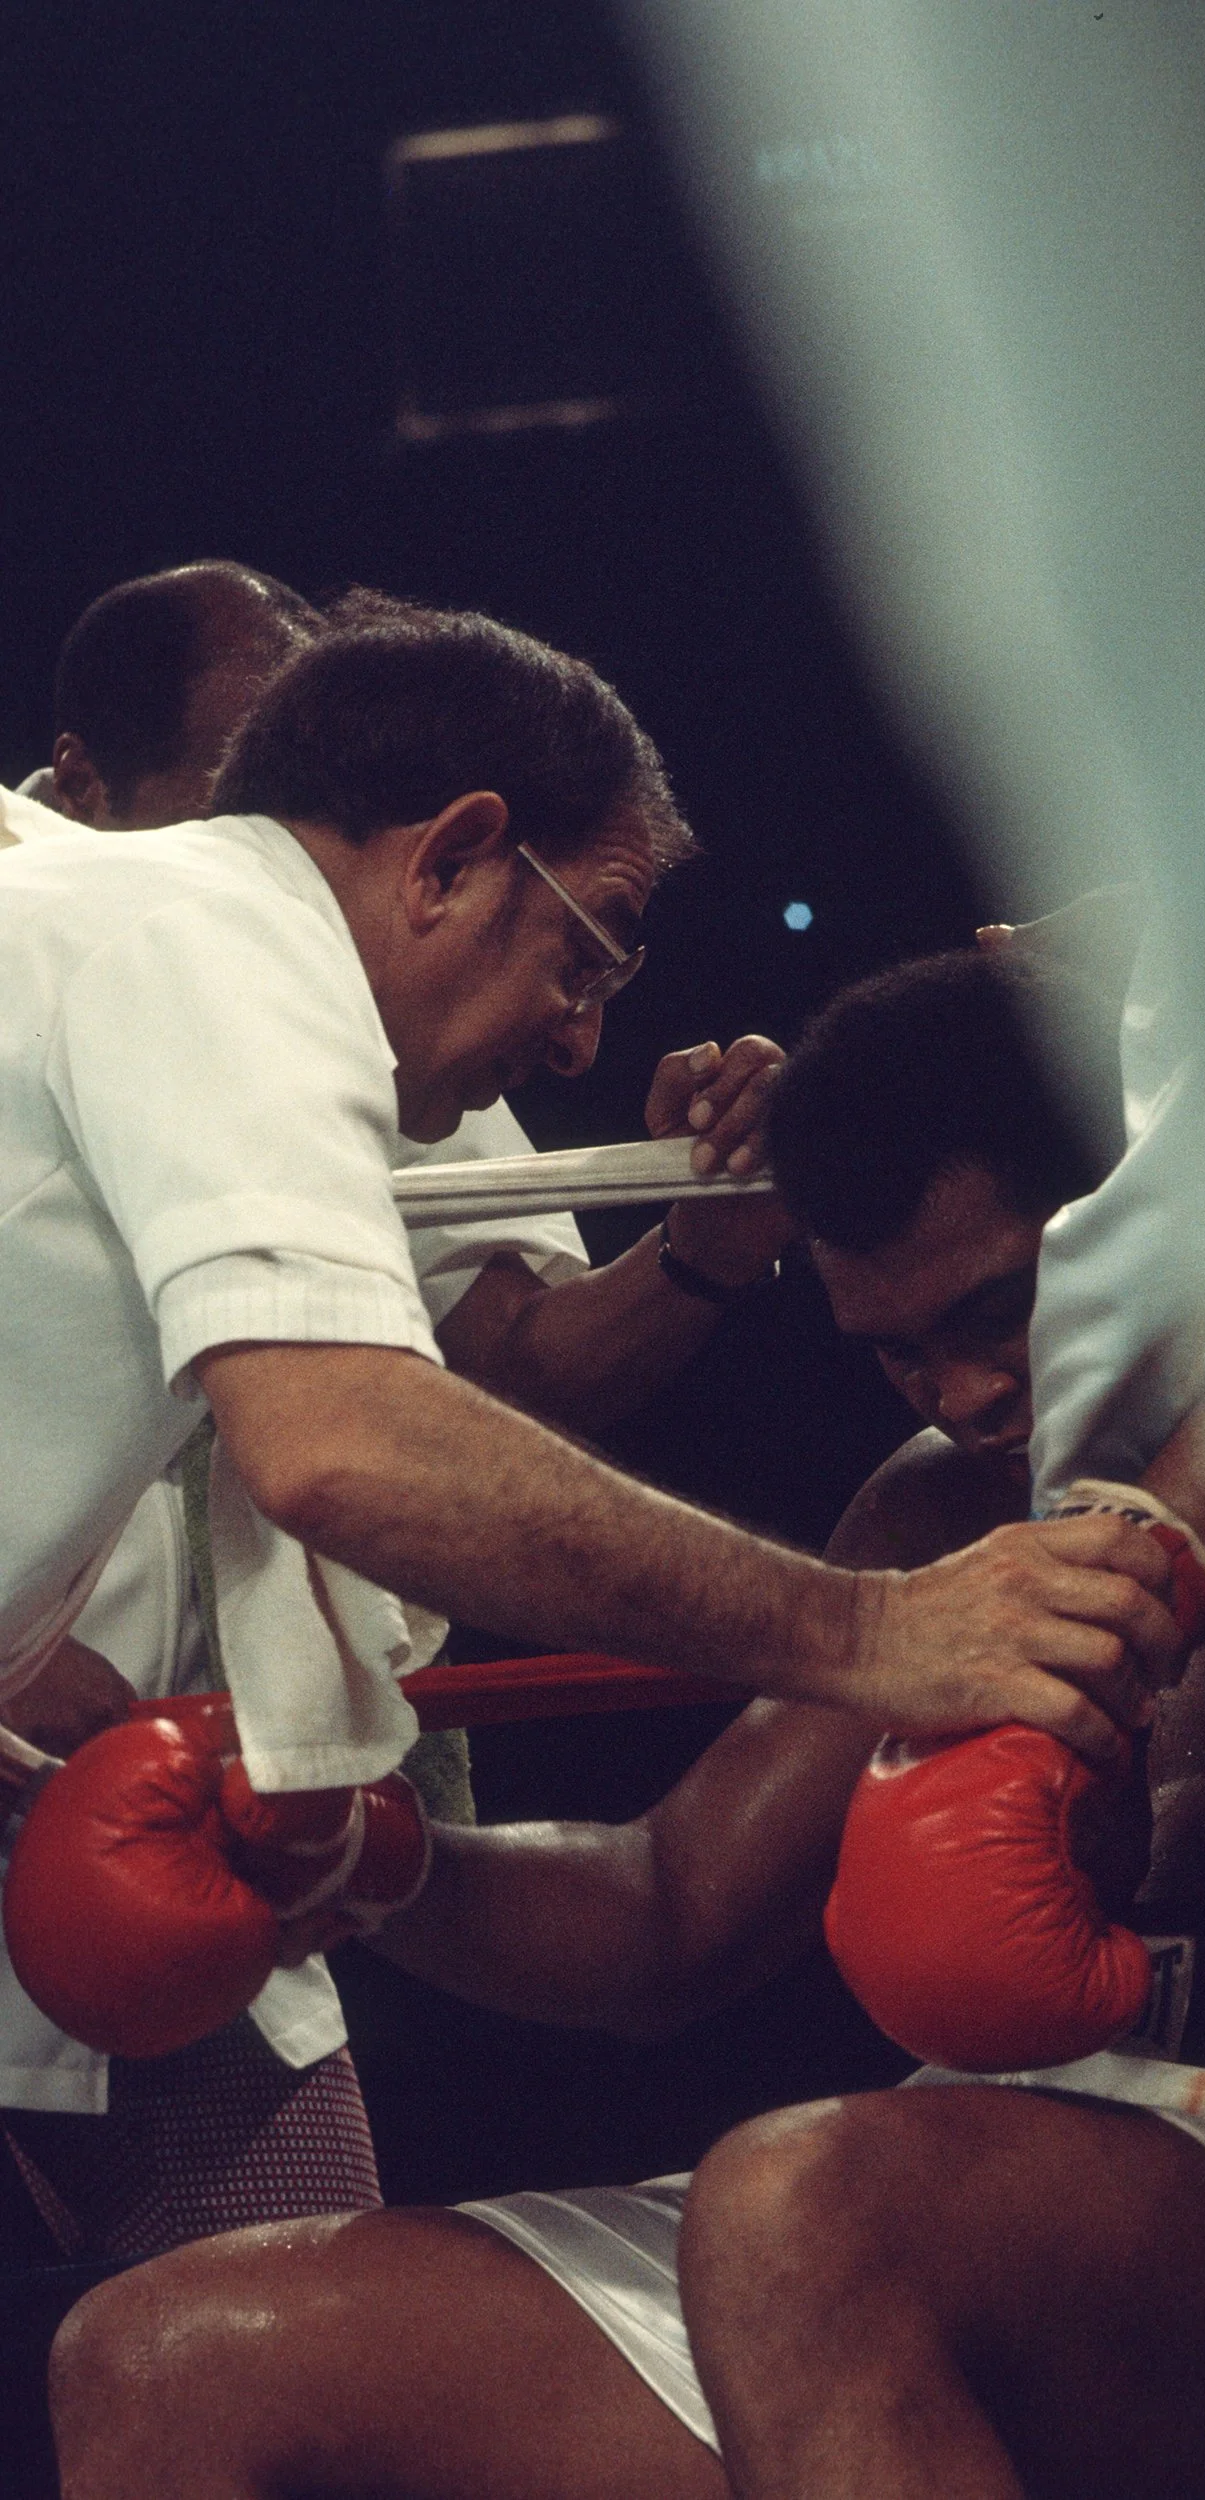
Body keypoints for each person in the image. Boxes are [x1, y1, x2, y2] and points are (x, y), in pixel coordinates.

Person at [46, 946, 1205, 2500]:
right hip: (930, 2220)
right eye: (897, 1348)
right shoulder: (933, 1520)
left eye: (997, 1310)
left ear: (1147, 1212)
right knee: (163, 2359)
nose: (962, 1392)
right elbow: (666, 1912)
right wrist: (361, 1861)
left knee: (803, 2198)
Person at [0, 564, 794, 2262]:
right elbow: (346, 1441)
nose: (585, 1040)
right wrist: (875, 1629)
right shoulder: (208, 944)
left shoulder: (204, 968)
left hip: (100, 1779)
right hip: (90, 1768)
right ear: (444, 857)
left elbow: (483, 1368)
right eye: (582, 955)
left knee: (246, 2345)